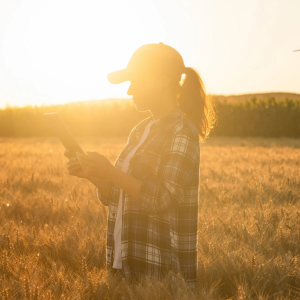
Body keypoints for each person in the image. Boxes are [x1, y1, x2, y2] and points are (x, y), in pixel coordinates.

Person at [65, 43, 216, 287]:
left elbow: (163, 199)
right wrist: (93, 174)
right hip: (125, 261)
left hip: (161, 274)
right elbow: (121, 196)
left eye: (135, 81)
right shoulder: (141, 130)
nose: (129, 91)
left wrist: (110, 171)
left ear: (163, 80)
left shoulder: (181, 130)